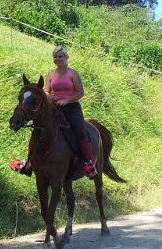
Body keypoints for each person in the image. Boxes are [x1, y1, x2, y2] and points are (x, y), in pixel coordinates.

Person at [11, 46, 98, 177]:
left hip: (72, 107)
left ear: (66, 58)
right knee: (38, 131)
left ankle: (88, 163)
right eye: (56, 57)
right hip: (54, 107)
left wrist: (67, 100)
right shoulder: (51, 74)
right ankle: (29, 163)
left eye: (61, 56)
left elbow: (80, 93)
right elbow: (46, 92)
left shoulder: (73, 73)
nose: (58, 59)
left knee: (80, 132)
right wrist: (50, 97)